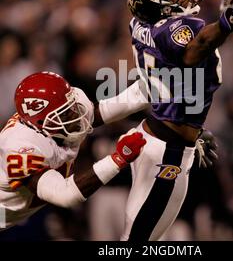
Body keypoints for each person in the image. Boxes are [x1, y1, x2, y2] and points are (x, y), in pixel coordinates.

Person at [120, 0, 233, 241]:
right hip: (168, 150)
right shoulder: (175, 29)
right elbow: (194, 52)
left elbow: (178, 67)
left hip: (153, 131)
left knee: (139, 233)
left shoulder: (139, 23)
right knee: (139, 241)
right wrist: (227, 23)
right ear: (156, 2)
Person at [0, 71, 146, 230]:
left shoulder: (51, 122)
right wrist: (118, 158)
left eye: (72, 105)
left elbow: (99, 112)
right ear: (42, 122)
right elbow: (65, 194)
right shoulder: (20, 147)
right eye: (66, 112)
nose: (75, 114)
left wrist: (151, 89)